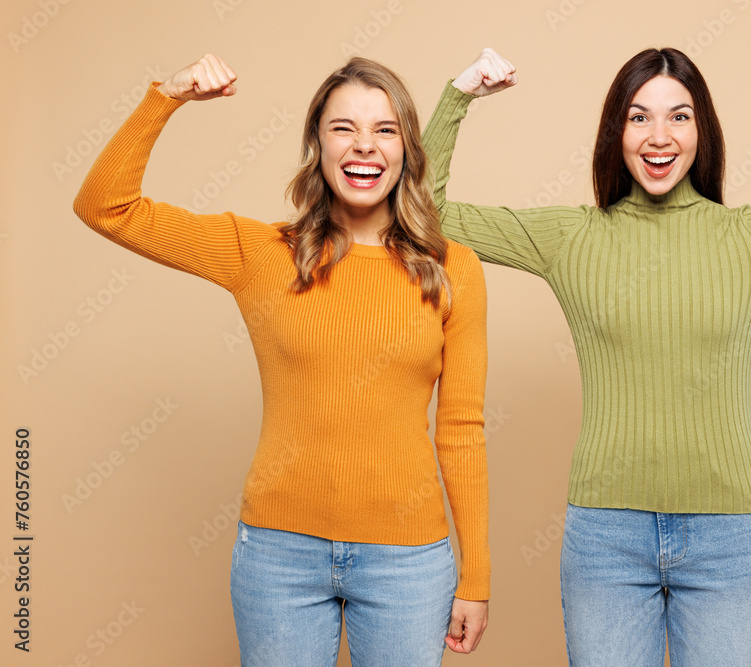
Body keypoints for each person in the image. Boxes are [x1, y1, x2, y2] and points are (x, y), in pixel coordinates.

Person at [422, 47, 751, 666]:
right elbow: (426, 211)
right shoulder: (571, 238)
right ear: (615, 133)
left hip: (728, 540)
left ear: (704, 131)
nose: (659, 137)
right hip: (605, 538)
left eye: (680, 116)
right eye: (638, 118)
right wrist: (458, 96)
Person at [73, 53, 490, 666]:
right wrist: (168, 95)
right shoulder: (265, 254)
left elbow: (462, 432)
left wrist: (475, 579)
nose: (363, 147)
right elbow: (104, 205)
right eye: (342, 128)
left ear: (407, 150)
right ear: (316, 146)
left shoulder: (455, 269)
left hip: (408, 560)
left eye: (385, 130)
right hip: (278, 555)